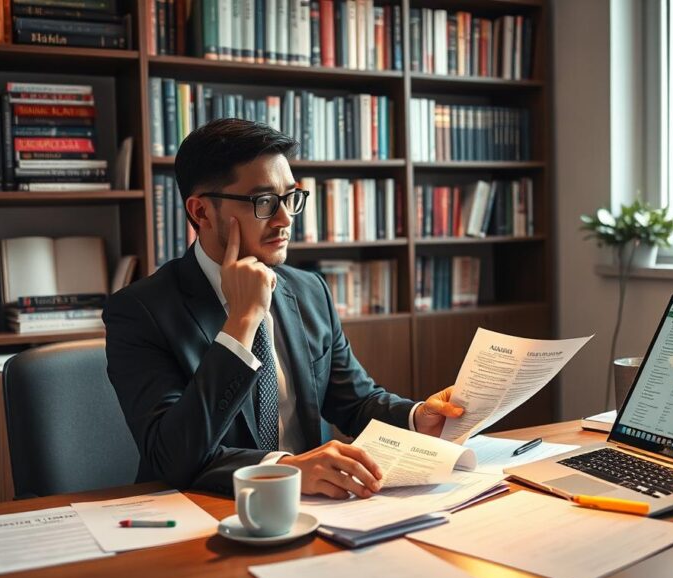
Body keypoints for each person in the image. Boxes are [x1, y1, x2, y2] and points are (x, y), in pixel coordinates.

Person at [104, 118, 464, 499]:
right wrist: (241, 323)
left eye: (290, 198)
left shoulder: (309, 292)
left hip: (316, 510)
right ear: (201, 212)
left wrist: (416, 417)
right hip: (200, 514)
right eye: (263, 202)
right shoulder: (140, 312)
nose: (285, 219)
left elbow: (355, 402)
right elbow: (171, 457)